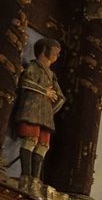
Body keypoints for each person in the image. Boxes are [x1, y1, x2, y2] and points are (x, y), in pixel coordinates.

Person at [13, 37, 66, 184]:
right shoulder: (34, 66)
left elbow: (60, 96)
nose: (58, 54)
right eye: (55, 50)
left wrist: (55, 104)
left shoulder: (52, 74)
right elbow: (25, 82)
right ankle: (25, 176)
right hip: (32, 109)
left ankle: (35, 180)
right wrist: (44, 92)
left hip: (44, 113)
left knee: (43, 145)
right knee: (31, 140)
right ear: (44, 50)